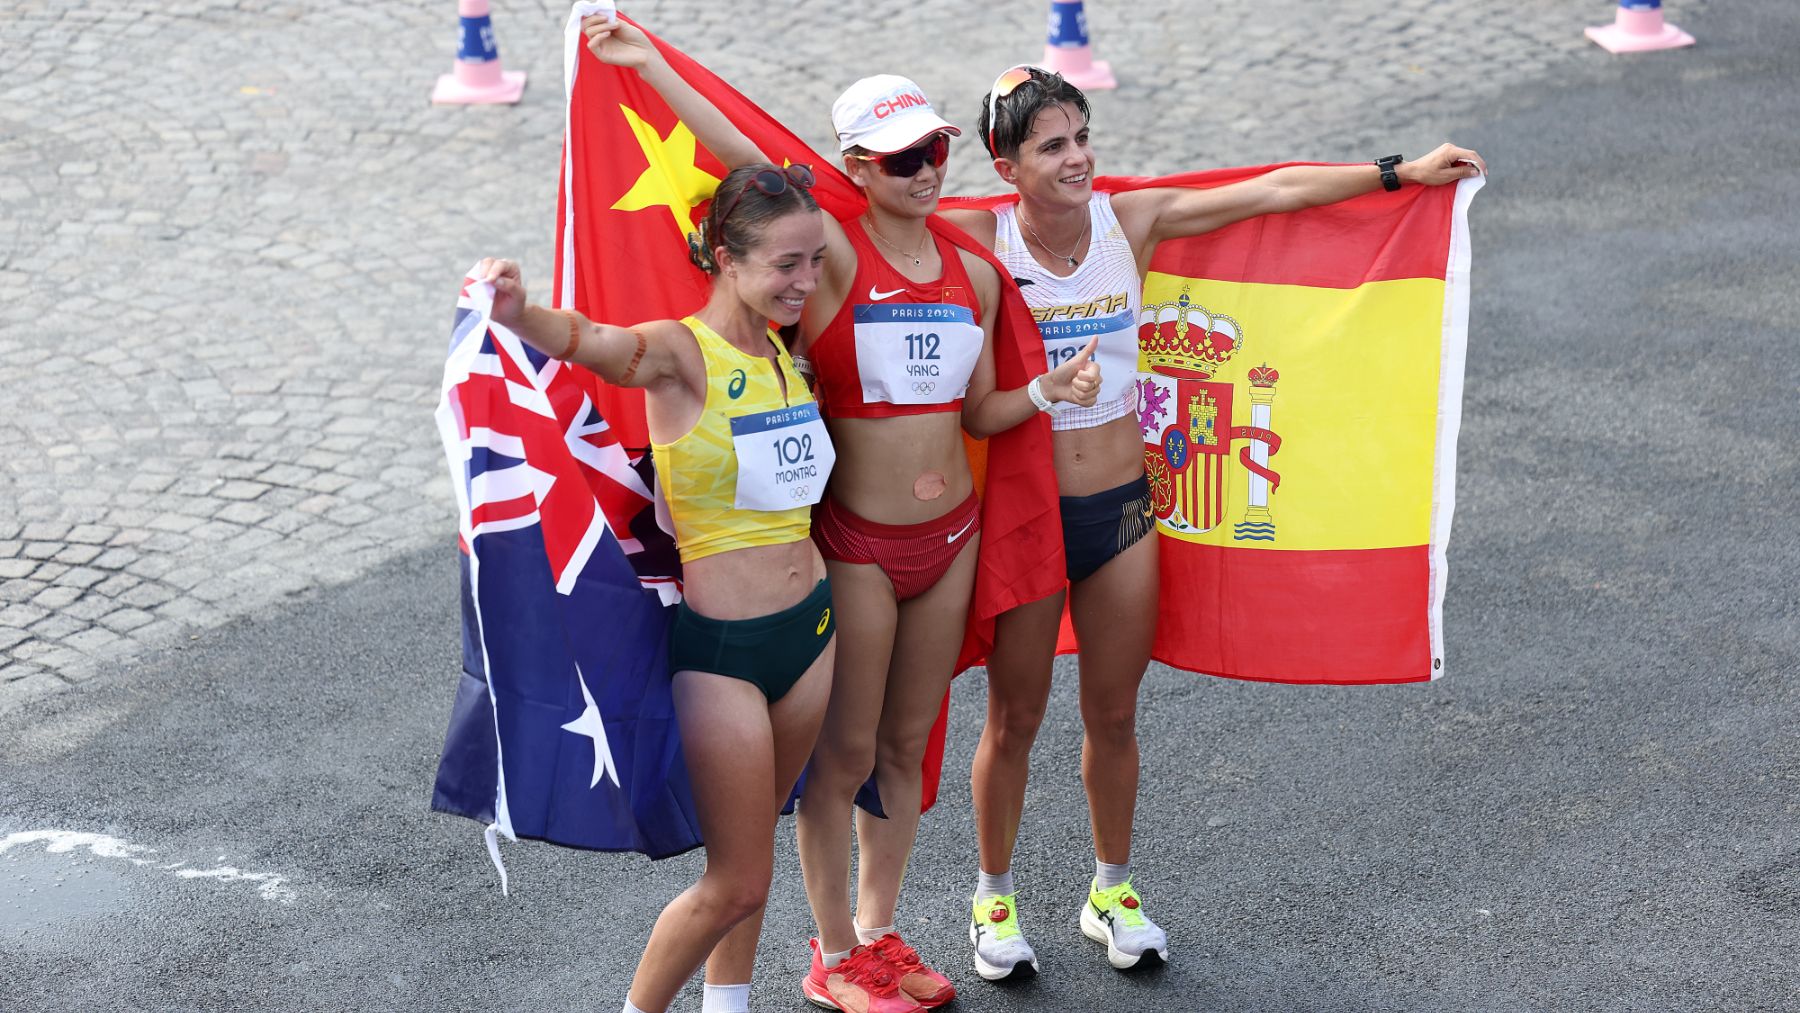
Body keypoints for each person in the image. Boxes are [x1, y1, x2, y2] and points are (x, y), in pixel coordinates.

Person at [582, 17, 1101, 1013]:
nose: (926, 167)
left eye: (937, 148)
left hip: (950, 541)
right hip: (856, 545)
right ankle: (827, 952)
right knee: (847, 752)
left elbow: (982, 409)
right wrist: (650, 69)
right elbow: (750, 162)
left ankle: (875, 929)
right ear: (856, 168)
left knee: (906, 743)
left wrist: (1046, 396)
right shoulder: (833, 259)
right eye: (902, 156)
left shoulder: (977, 272)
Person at [938, 65, 1487, 979]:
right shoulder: (979, 236)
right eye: (1052, 146)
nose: (1078, 158)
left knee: (1113, 713)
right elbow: (855, 209)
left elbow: (1268, 192)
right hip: (1027, 518)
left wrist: (1398, 172)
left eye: (1081, 136)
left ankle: (1111, 890)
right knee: (1015, 716)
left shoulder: (1132, 222)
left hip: (1122, 512)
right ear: (1005, 163)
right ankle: (992, 897)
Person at [472, 162, 840, 1013]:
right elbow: (594, 340)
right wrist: (520, 312)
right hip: (724, 656)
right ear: (724, 258)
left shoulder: (789, 354)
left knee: (756, 862)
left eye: (814, 260)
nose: (806, 281)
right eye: (786, 264)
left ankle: (728, 1004)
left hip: (811, 633)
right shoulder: (681, 354)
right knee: (735, 879)